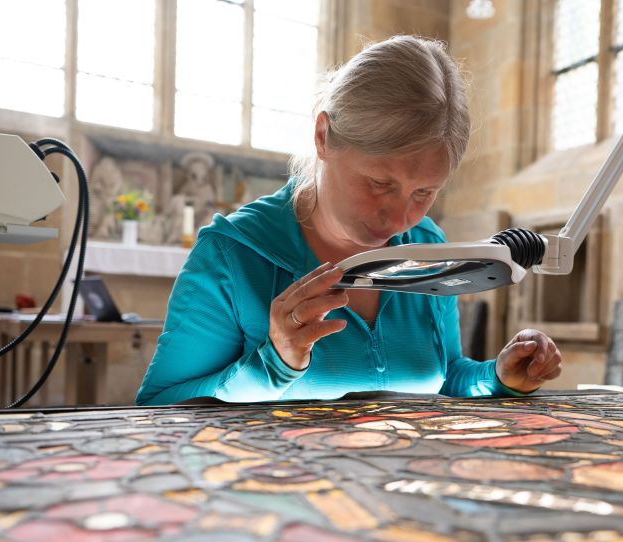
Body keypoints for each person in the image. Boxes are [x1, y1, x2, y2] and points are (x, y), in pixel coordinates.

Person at [136, 35, 562, 406]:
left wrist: (499, 378)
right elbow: (160, 410)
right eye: (379, 182)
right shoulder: (231, 255)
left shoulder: (427, 241)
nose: (399, 218)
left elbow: (443, 377)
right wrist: (273, 365)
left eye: (424, 193)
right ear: (323, 136)